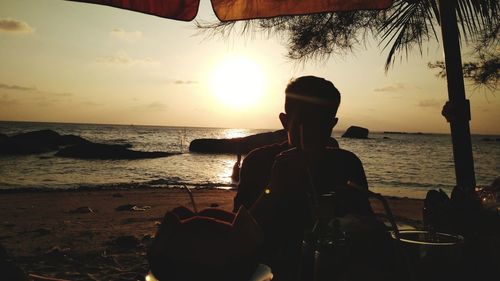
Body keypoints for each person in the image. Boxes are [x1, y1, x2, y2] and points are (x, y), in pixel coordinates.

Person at [247, 76, 375, 281]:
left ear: (333, 124)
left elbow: (369, 230)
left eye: (322, 123)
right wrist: (273, 187)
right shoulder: (258, 162)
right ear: (285, 121)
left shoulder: (347, 164)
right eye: (304, 123)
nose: (313, 132)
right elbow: (239, 235)